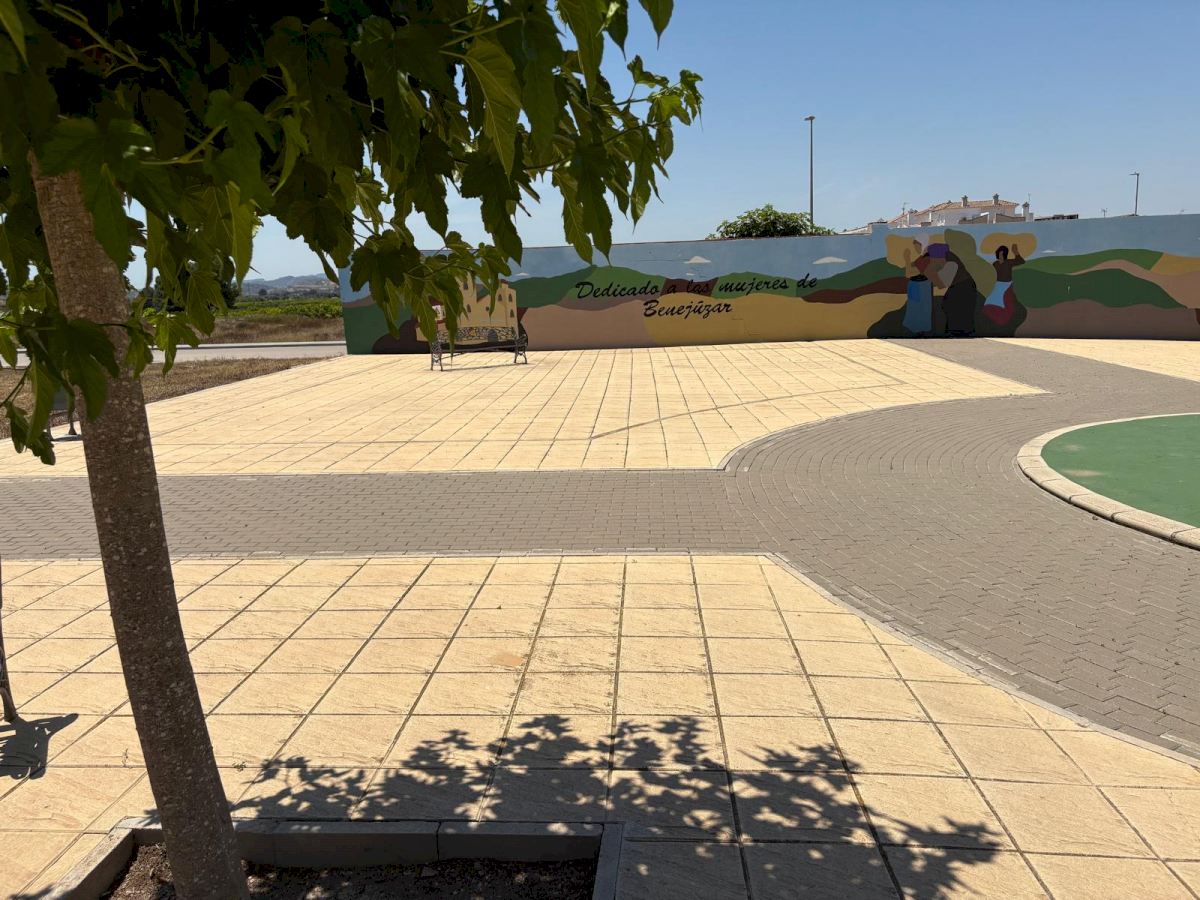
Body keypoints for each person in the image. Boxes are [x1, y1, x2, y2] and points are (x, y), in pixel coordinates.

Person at [983, 244, 1025, 326]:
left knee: (1005, 302)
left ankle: (1002, 319)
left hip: (1006, 285)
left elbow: (1021, 261)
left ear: (1005, 255)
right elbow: (991, 273)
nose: (1000, 256)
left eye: (1002, 254)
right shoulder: (995, 264)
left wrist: (1015, 252)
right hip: (997, 285)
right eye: (999, 254)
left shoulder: (1008, 262)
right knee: (990, 301)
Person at [901, 240, 934, 336]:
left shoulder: (927, 259)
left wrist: (907, 258)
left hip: (921, 286)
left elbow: (908, 273)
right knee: (914, 308)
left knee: (920, 309)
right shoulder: (921, 258)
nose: (916, 249)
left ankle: (920, 331)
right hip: (916, 285)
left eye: (917, 246)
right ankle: (916, 330)